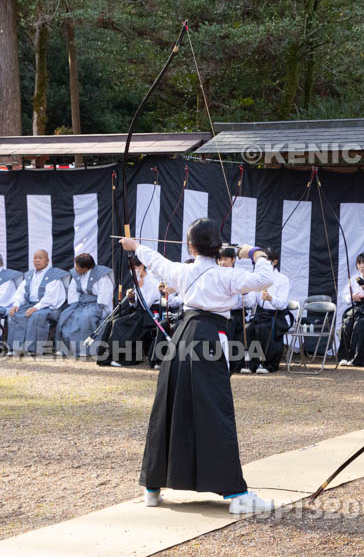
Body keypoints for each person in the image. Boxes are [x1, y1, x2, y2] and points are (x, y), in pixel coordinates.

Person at [121, 217, 275, 513]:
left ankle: (152, 488)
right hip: (209, 339)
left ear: (191, 246)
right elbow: (263, 278)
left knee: (169, 404)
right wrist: (256, 253)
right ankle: (236, 495)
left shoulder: (182, 270)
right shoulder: (226, 275)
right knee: (214, 410)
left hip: (182, 338)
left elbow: (154, 260)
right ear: (218, 247)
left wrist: (135, 246)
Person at [100, 256, 163, 367]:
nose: (132, 271)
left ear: (142, 266)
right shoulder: (137, 280)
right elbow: (134, 304)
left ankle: (125, 358)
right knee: (112, 322)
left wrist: (140, 288)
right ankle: (108, 356)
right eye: (131, 269)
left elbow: (146, 303)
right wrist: (131, 298)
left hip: (151, 314)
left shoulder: (152, 281)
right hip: (140, 312)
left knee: (122, 324)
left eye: (134, 268)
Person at [7, 250, 69, 355]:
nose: (37, 260)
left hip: (48, 307)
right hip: (30, 305)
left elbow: (51, 297)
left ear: (48, 261)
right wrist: (16, 304)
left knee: (36, 316)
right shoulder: (29, 275)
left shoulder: (53, 275)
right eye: (35, 258)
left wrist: (36, 307)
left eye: (41, 258)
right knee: (16, 314)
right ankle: (16, 348)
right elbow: (21, 292)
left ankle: (32, 349)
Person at [242, 247, 291, 373]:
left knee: (264, 328)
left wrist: (270, 298)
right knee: (248, 328)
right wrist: (245, 294)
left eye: (267, 259)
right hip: (260, 314)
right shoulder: (256, 277)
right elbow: (252, 301)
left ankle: (267, 364)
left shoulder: (282, 279)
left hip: (276, 316)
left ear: (274, 262)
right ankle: (250, 363)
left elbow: (283, 304)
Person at [56, 253, 113, 357]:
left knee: (84, 318)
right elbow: (73, 292)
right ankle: (66, 349)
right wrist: (74, 305)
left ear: (86, 268)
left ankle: (84, 350)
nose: (75, 268)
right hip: (80, 303)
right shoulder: (76, 275)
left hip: (96, 304)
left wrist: (104, 310)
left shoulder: (101, 275)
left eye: (78, 266)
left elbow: (105, 294)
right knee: (66, 316)